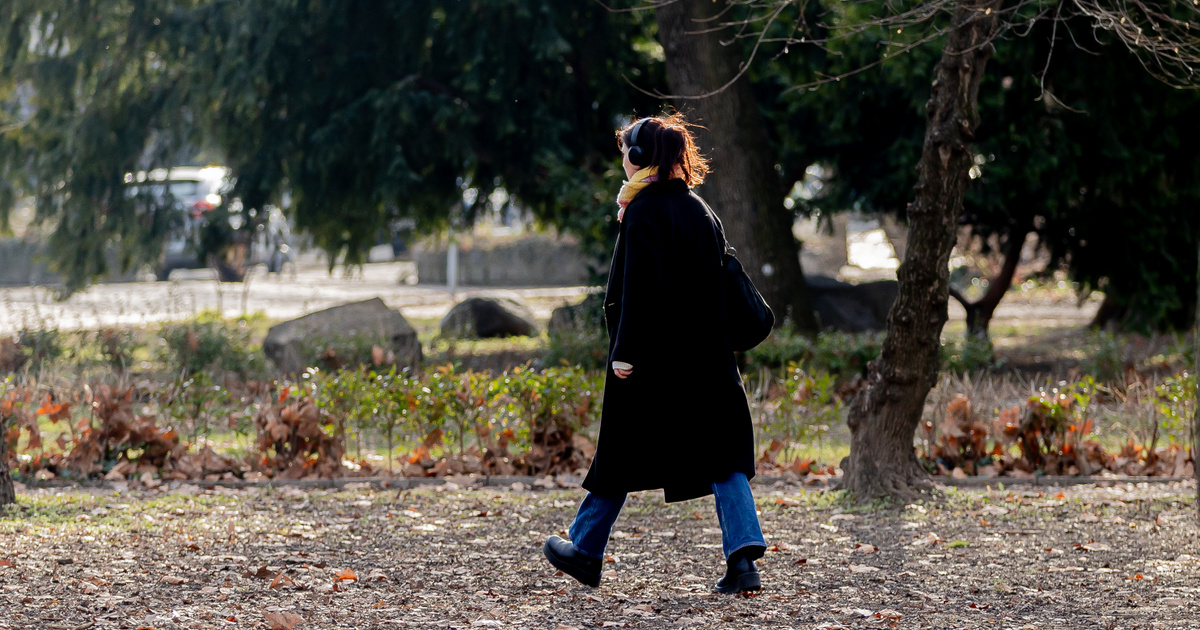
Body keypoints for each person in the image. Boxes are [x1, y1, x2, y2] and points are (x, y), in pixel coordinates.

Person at [542, 113, 766, 594]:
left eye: (625, 151)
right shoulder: (701, 210)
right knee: (724, 456)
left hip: (654, 364)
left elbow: (640, 290)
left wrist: (626, 353)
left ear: (640, 158)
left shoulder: (643, 212)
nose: (622, 159)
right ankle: (744, 561)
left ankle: (584, 551)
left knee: (619, 454)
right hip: (708, 361)